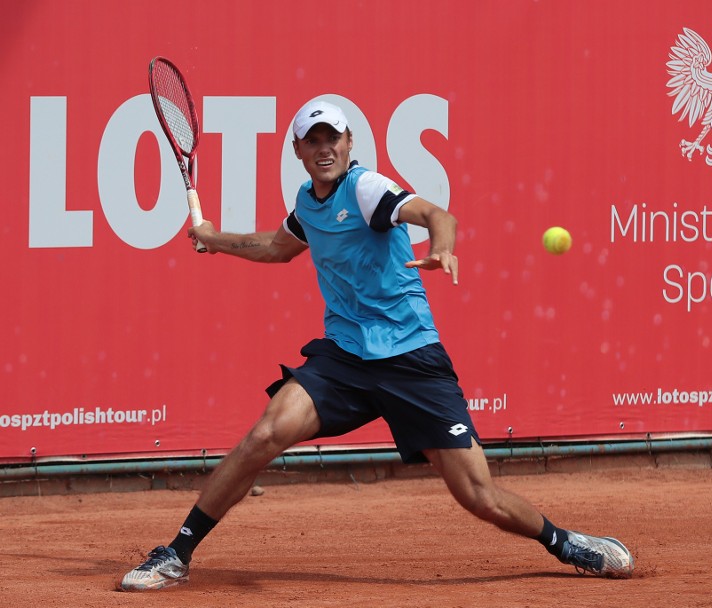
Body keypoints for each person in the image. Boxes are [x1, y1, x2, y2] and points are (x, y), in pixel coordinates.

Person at [119, 101, 634, 591]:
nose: (324, 148)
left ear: (349, 143)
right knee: (265, 434)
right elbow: (277, 248)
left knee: (478, 496)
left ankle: (566, 543)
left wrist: (442, 250)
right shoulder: (306, 200)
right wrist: (215, 238)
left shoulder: (367, 188)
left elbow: (439, 216)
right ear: (298, 150)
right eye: (312, 139)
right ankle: (175, 555)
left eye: (333, 138)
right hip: (345, 357)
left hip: (411, 359)